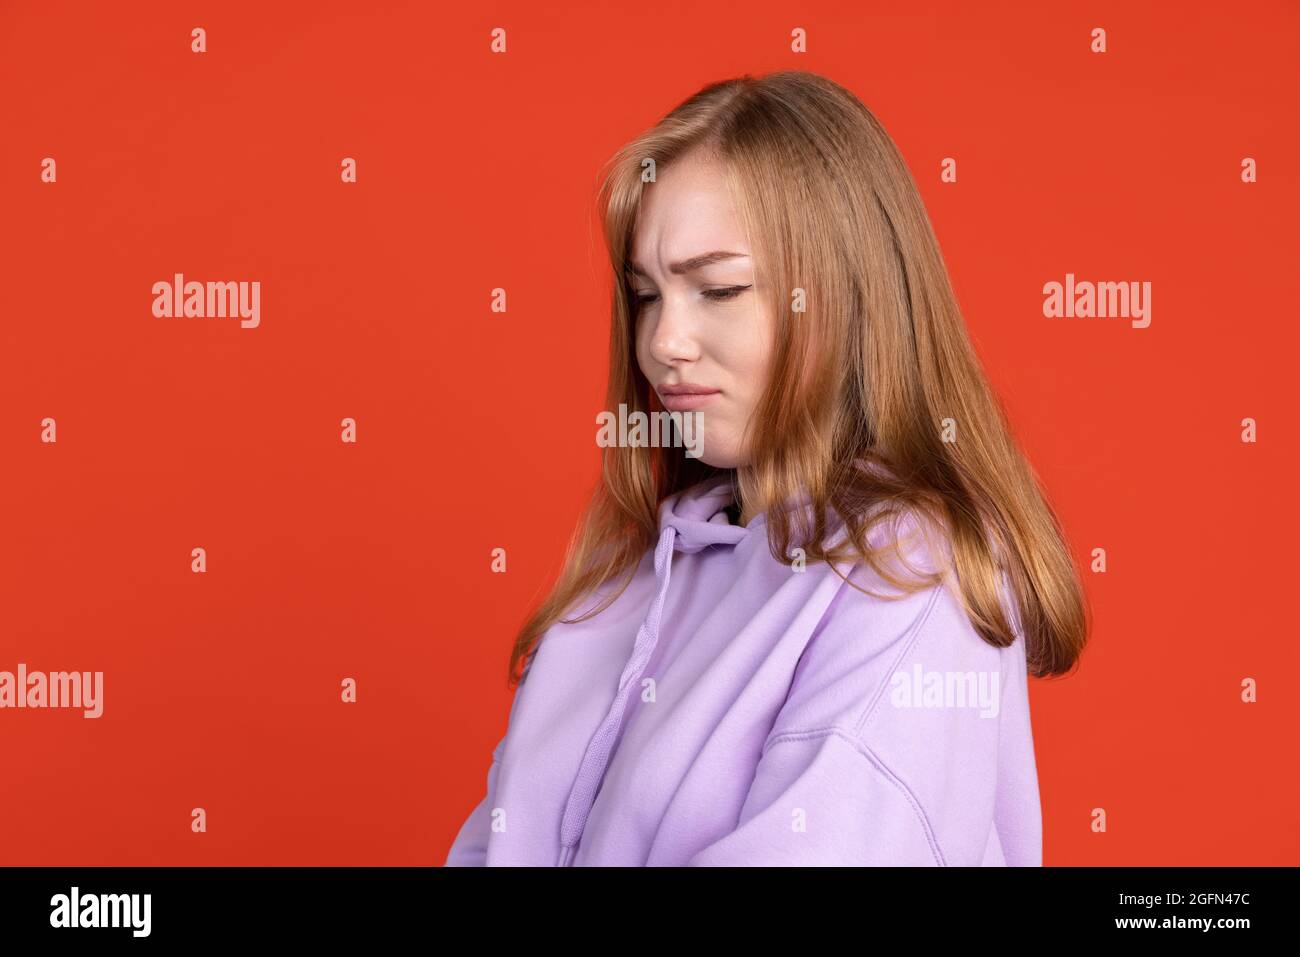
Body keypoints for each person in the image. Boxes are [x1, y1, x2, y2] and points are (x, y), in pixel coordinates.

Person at [445, 69, 1088, 867]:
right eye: (646, 295)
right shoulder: (624, 579)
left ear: (844, 298)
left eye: (718, 289)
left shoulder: (908, 575)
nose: (662, 342)